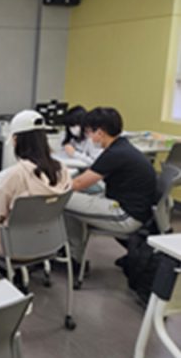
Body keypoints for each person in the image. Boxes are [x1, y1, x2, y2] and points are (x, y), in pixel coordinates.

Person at [0, 110, 72, 256]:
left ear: (15, 140)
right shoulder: (62, 170)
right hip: (46, 242)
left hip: (12, 245)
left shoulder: (17, 174)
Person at [64, 108, 156, 266]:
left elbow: (77, 184)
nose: (88, 137)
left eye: (89, 132)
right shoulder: (122, 147)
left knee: (64, 201)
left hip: (127, 216)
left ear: (100, 132)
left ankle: (75, 259)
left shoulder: (114, 154)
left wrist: (47, 187)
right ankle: (74, 254)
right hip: (133, 208)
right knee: (76, 200)